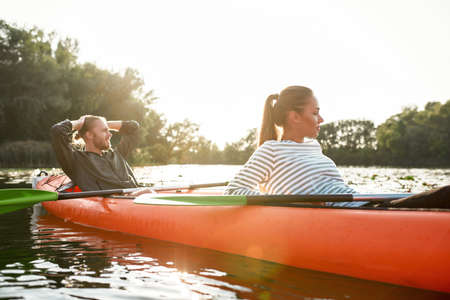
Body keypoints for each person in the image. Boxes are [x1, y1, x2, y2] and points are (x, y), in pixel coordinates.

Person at [224, 86, 449, 208]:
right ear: (294, 117)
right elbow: (234, 191)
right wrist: (286, 202)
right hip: (346, 213)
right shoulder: (270, 150)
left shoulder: (314, 147)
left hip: (363, 205)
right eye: (314, 113)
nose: (321, 119)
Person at [51, 115, 141, 191]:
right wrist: (80, 122)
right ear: (89, 135)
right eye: (104, 131)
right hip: (114, 203)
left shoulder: (118, 154)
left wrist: (105, 124)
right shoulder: (75, 161)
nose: (110, 134)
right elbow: (58, 130)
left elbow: (134, 127)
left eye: (108, 130)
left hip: (138, 197)